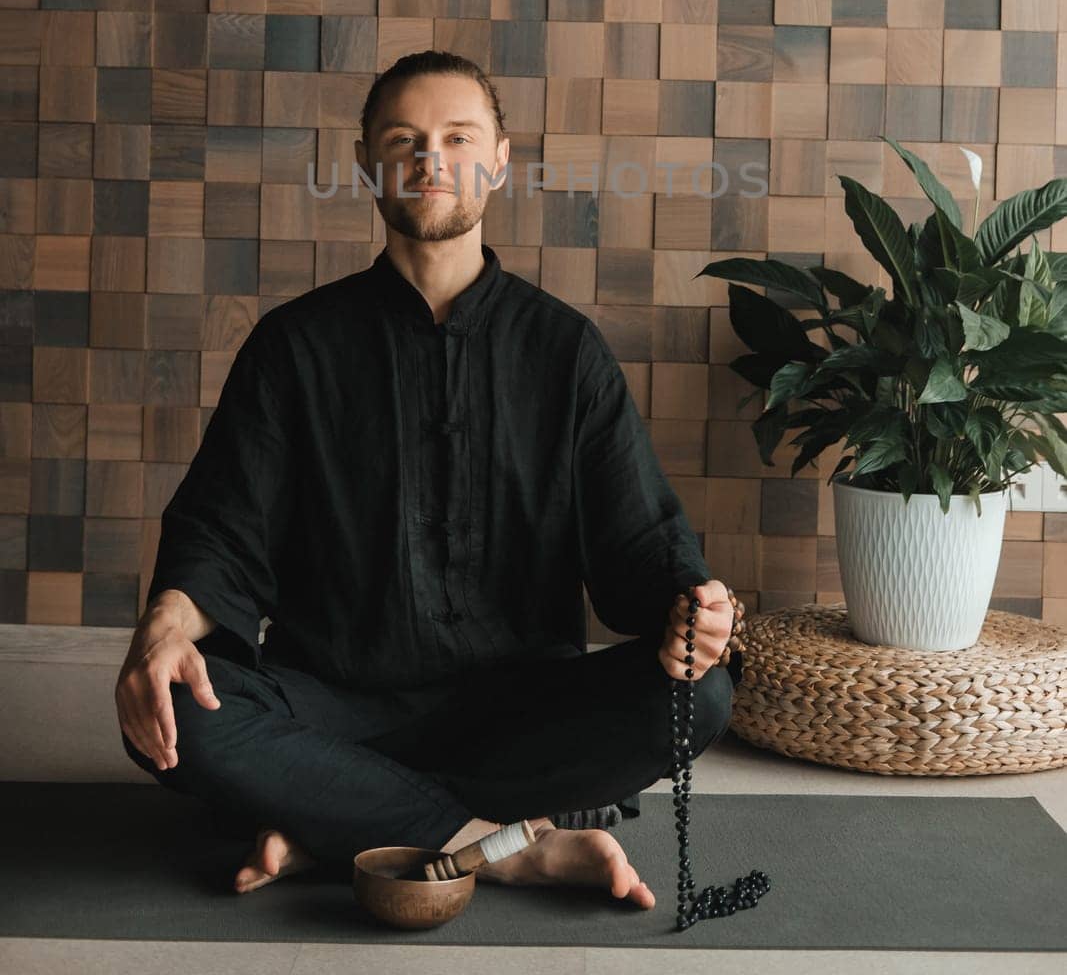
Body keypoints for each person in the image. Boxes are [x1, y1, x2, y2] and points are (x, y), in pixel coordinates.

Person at [115, 50, 741, 910]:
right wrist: (159, 629)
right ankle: (503, 846)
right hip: (332, 700)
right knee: (172, 709)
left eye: (456, 137)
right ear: (367, 163)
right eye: (403, 140)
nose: (430, 159)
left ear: (498, 159)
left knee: (699, 697)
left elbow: (639, 549)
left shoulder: (564, 352)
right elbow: (220, 532)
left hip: (519, 707)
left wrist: (689, 612)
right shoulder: (294, 346)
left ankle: (339, 817)